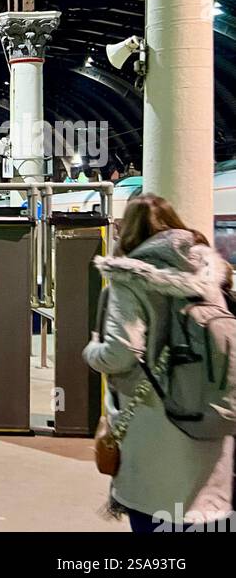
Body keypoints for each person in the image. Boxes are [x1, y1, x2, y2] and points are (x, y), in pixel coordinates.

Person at [83, 193, 234, 532]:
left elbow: (119, 353)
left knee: (156, 517)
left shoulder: (130, 278)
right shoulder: (212, 275)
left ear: (129, 231)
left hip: (156, 419)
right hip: (212, 413)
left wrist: (91, 349)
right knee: (202, 516)